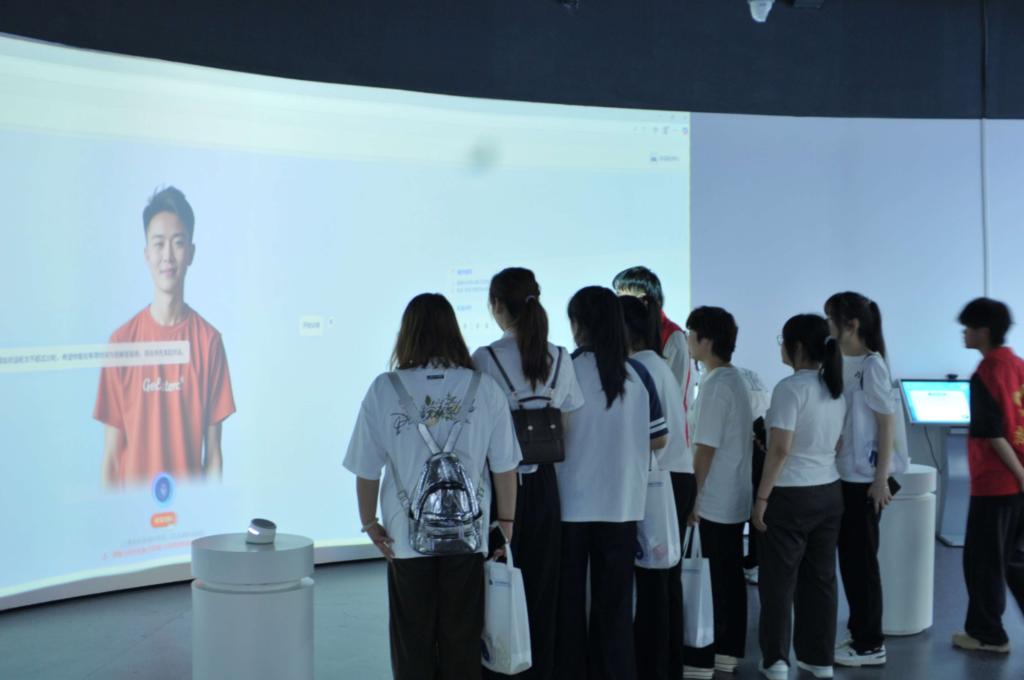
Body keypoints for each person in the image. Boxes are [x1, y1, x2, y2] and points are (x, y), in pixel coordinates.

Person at [343, 293, 521, 680]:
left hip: (404, 537)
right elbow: (505, 467)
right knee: (463, 638)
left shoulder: (384, 389)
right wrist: (505, 523)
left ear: (406, 334)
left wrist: (369, 523)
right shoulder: (484, 388)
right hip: (469, 535)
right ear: (453, 331)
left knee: (412, 641)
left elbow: (366, 469)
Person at [473, 268, 585, 680]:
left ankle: (499, 669)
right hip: (545, 486)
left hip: (500, 487)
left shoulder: (485, 358)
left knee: (497, 584)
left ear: (497, 305)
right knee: (542, 587)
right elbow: (566, 423)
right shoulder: (560, 356)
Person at [555, 286, 668, 680]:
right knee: (616, 606)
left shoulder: (564, 370)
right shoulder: (636, 374)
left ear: (577, 325)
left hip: (569, 505)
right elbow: (659, 439)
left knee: (569, 603)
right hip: (622, 504)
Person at [94, 186, 235, 489]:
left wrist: (209, 512)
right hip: (132, 515)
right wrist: (109, 515)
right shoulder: (121, 343)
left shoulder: (209, 342)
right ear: (147, 254)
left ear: (191, 253)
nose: (168, 256)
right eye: (159, 244)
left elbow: (213, 456)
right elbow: (111, 459)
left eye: (178, 243)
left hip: (187, 515)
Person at [752, 314, 846, 680]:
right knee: (821, 580)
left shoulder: (789, 389)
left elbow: (780, 450)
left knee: (778, 581)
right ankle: (819, 659)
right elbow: (837, 443)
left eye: (783, 340)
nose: (780, 347)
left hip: (790, 495)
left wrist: (762, 498)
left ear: (798, 347)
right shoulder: (834, 389)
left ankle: (776, 660)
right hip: (829, 492)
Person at [824, 292, 897, 667]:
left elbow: (887, 423)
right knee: (851, 562)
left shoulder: (872, 365)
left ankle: (870, 643)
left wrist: (880, 479)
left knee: (862, 563)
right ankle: (860, 633)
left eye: (830, 318)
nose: (827, 325)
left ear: (850, 325)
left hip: (864, 479)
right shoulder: (843, 360)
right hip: (845, 474)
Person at [620, 295, 690, 680]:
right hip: (675, 478)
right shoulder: (657, 364)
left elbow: (649, 438)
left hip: (658, 482)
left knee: (650, 583)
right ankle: (668, 665)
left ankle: (651, 667)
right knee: (665, 583)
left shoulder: (637, 368)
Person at [683, 306, 754, 679]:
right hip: (733, 496)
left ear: (706, 339)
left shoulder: (715, 386)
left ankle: (706, 655)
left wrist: (692, 497)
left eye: (691, 333)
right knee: (728, 576)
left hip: (713, 499)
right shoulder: (733, 379)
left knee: (711, 579)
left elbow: (705, 448)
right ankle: (727, 651)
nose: (687, 340)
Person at [953, 297, 1024, 654]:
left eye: (967, 328)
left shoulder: (985, 373)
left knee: (983, 562)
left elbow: (993, 434)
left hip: (996, 484)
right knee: (1014, 560)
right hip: (1018, 485)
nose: (963, 334)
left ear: (983, 331)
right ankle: (989, 632)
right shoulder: (1018, 365)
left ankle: (988, 635)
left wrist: (1019, 475)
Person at [613, 266, 696, 418]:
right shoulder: (626, 334)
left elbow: (676, 394)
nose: (617, 302)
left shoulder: (673, 336)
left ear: (643, 300)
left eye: (621, 295)